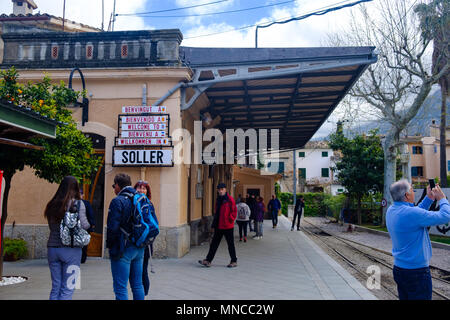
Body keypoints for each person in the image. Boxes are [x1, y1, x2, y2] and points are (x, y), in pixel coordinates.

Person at [386, 179, 450, 300]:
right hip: (416, 272)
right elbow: (445, 216)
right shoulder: (411, 213)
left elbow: (416, 214)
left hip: (400, 269)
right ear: (407, 195)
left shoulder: (392, 210)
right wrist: (442, 199)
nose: (414, 192)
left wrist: (429, 198)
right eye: (412, 189)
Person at [44, 176, 90, 300]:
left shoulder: (52, 204)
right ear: (75, 188)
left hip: (53, 249)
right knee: (68, 287)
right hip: (72, 250)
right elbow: (85, 225)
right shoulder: (78, 204)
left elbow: (51, 226)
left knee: (56, 286)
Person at [106, 173, 145, 300]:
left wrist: (111, 247)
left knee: (120, 287)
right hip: (138, 247)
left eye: (114, 186)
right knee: (138, 285)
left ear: (117, 185)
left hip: (123, 248)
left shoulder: (117, 201)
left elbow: (112, 228)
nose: (114, 189)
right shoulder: (139, 197)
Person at [199, 183, 238, 268]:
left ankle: (234, 261)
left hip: (228, 226)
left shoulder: (230, 199)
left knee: (230, 244)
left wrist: (229, 219)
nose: (220, 191)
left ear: (225, 189)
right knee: (214, 244)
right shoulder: (218, 200)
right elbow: (217, 214)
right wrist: (213, 226)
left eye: (222, 189)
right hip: (219, 226)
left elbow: (234, 212)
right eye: (219, 190)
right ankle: (208, 260)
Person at [133, 179, 155, 297]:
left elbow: (153, 225)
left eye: (144, 188)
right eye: (139, 187)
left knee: (142, 270)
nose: (141, 190)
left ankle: (144, 294)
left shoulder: (149, 205)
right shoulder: (133, 203)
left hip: (145, 243)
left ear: (147, 191)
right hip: (134, 243)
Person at [80, 189, 95, 264]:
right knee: (84, 243)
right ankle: (82, 258)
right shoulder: (86, 203)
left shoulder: (86, 203)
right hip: (84, 227)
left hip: (82, 227)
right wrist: (91, 225)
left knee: (83, 243)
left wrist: (91, 224)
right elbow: (90, 214)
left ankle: (82, 258)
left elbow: (90, 214)